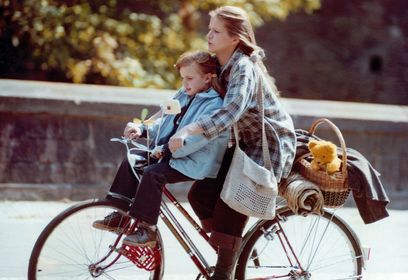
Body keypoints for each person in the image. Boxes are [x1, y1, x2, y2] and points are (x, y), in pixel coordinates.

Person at [168, 6, 297, 280]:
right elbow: (185, 93)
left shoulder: (243, 67)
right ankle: (233, 251)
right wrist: (151, 124)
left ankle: (225, 271)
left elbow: (232, 111)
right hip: (241, 144)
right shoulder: (217, 65)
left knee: (230, 205)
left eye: (216, 31)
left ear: (235, 38)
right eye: (209, 29)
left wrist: (191, 129)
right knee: (200, 196)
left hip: (267, 146)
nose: (209, 35)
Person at [93, 50, 229, 248]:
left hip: (195, 160)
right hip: (172, 153)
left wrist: (165, 150)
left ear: (208, 77)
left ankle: (147, 229)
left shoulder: (215, 104)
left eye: (190, 78)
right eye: (183, 78)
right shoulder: (184, 94)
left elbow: (193, 141)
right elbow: (165, 123)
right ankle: (119, 214)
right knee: (132, 158)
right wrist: (142, 129)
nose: (185, 84)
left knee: (153, 174)